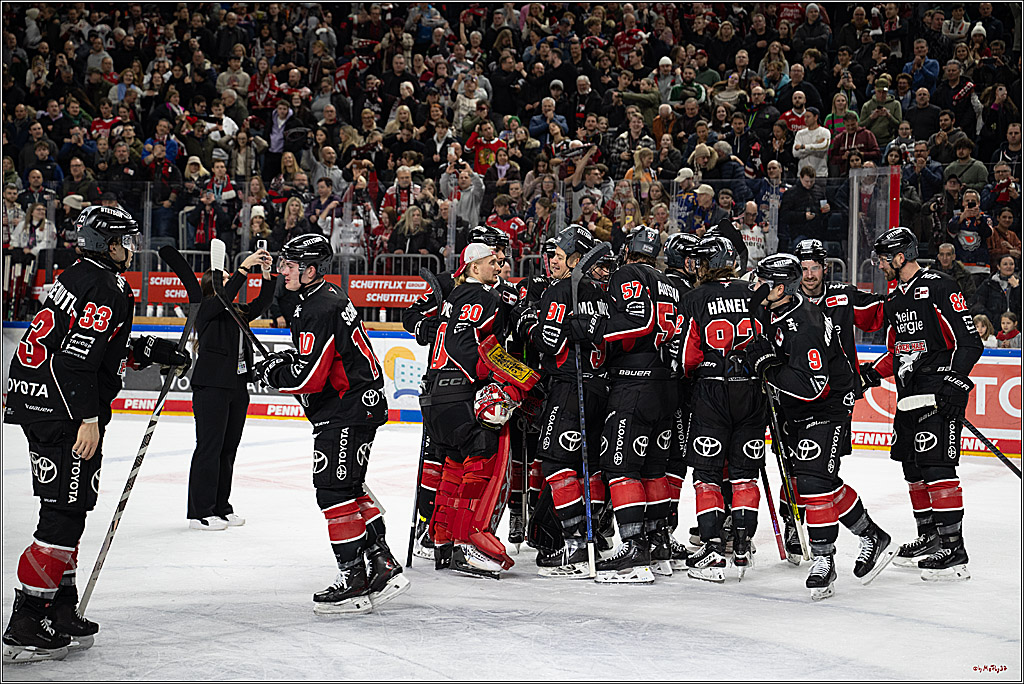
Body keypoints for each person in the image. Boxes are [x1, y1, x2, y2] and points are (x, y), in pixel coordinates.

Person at [3, 205, 190, 663]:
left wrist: (147, 347)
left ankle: (60, 610)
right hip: (63, 410)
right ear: (104, 244)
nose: (130, 248)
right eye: (123, 240)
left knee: (73, 507)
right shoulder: (107, 286)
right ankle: (27, 619)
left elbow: (87, 343)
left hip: (39, 401)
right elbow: (74, 362)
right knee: (64, 512)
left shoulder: (78, 276)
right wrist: (87, 418)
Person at [254, 234, 408, 614]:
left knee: (333, 491)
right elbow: (320, 355)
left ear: (309, 270)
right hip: (356, 405)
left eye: (288, 266)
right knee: (350, 488)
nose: (280, 270)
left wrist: (273, 373)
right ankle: (382, 562)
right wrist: (285, 361)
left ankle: (354, 579)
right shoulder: (324, 296)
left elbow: (310, 378)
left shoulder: (318, 308)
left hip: (345, 408)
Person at [747, 254, 895, 600]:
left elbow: (811, 385)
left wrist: (767, 369)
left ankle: (824, 560)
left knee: (813, 480)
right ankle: (871, 534)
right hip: (798, 408)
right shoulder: (776, 308)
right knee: (815, 480)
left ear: (780, 288)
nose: (757, 285)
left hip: (827, 406)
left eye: (763, 281)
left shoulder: (806, 325)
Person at [863, 228, 983, 580]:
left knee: (936, 467)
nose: (880, 264)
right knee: (912, 468)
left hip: (937, 392)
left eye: (884, 259)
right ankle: (929, 536)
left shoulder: (940, 285)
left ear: (901, 257)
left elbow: (970, 342)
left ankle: (953, 546)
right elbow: (897, 351)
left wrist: (954, 384)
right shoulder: (895, 297)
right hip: (907, 395)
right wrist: (870, 375)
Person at [570, 227, 679, 583]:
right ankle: (658, 544)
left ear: (628, 250)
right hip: (665, 384)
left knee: (620, 466)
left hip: (635, 382)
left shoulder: (628, 273)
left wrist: (594, 327)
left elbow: (637, 320)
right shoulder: (668, 282)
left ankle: (634, 551)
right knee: (652, 469)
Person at [424, 241, 533, 578]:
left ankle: (443, 540)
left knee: (453, 468)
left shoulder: (452, 298)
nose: (497, 268)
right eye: (491, 263)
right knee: (481, 468)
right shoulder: (486, 298)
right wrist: (523, 379)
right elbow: (478, 348)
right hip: (459, 393)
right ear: (474, 268)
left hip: (434, 397)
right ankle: (469, 544)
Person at [675, 235, 764, 582]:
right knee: (744, 474)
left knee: (708, 474)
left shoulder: (694, 298)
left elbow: (687, 357)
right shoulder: (754, 294)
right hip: (752, 393)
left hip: (712, 392)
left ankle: (712, 548)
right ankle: (741, 545)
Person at [526, 226, 612, 575]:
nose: (552, 263)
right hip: (600, 390)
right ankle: (593, 540)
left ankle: (575, 546)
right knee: (587, 468)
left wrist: (529, 323)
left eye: (558, 257)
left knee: (555, 464)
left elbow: (548, 345)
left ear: (576, 260)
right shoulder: (604, 295)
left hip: (569, 388)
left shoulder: (561, 291)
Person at [187, 250, 275, 530]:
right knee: (209, 448)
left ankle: (221, 506)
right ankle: (200, 512)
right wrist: (243, 270)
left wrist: (265, 274)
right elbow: (222, 297)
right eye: (224, 279)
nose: (230, 282)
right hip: (212, 386)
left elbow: (262, 302)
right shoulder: (205, 308)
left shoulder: (236, 312)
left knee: (228, 450)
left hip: (237, 386)